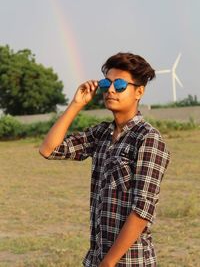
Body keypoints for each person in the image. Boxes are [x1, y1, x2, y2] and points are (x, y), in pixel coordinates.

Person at [39, 52, 170, 267]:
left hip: (130, 261)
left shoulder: (148, 139)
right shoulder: (101, 134)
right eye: (105, 83)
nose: (110, 90)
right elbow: (48, 149)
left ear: (139, 91)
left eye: (119, 84)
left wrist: (108, 263)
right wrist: (76, 104)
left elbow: (142, 210)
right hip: (97, 256)